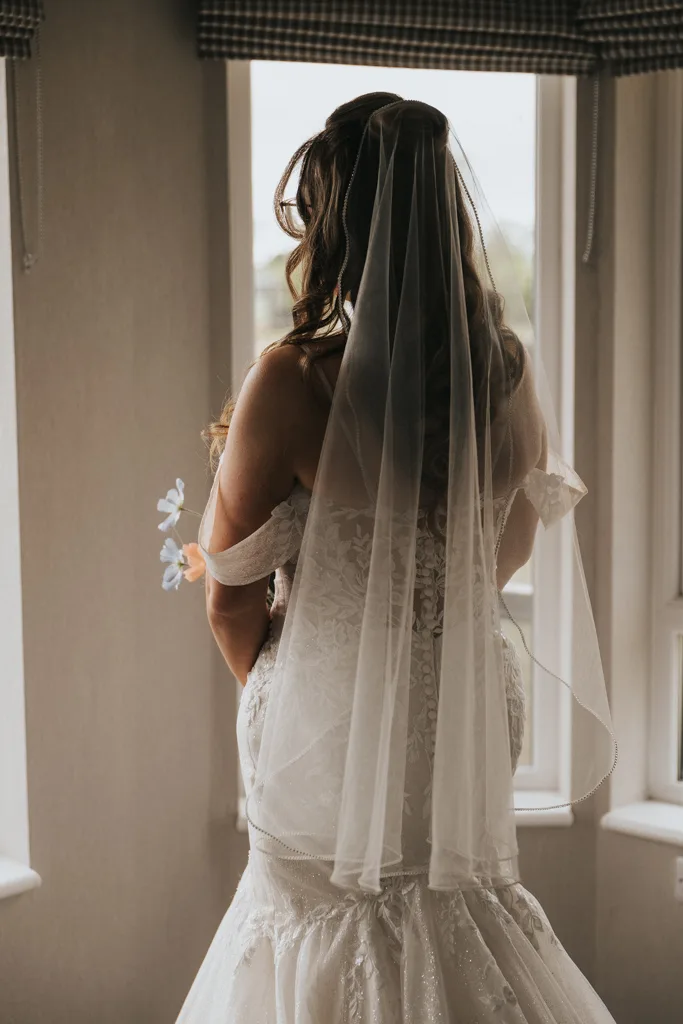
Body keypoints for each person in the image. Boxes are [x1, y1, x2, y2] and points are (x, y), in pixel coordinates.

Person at [175, 93, 617, 1023]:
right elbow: (503, 548)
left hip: (327, 710)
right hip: (461, 705)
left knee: (321, 924)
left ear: (334, 220)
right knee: (461, 912)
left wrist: (291, 664)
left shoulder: (293, 381)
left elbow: (227, 597)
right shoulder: (503, 368)